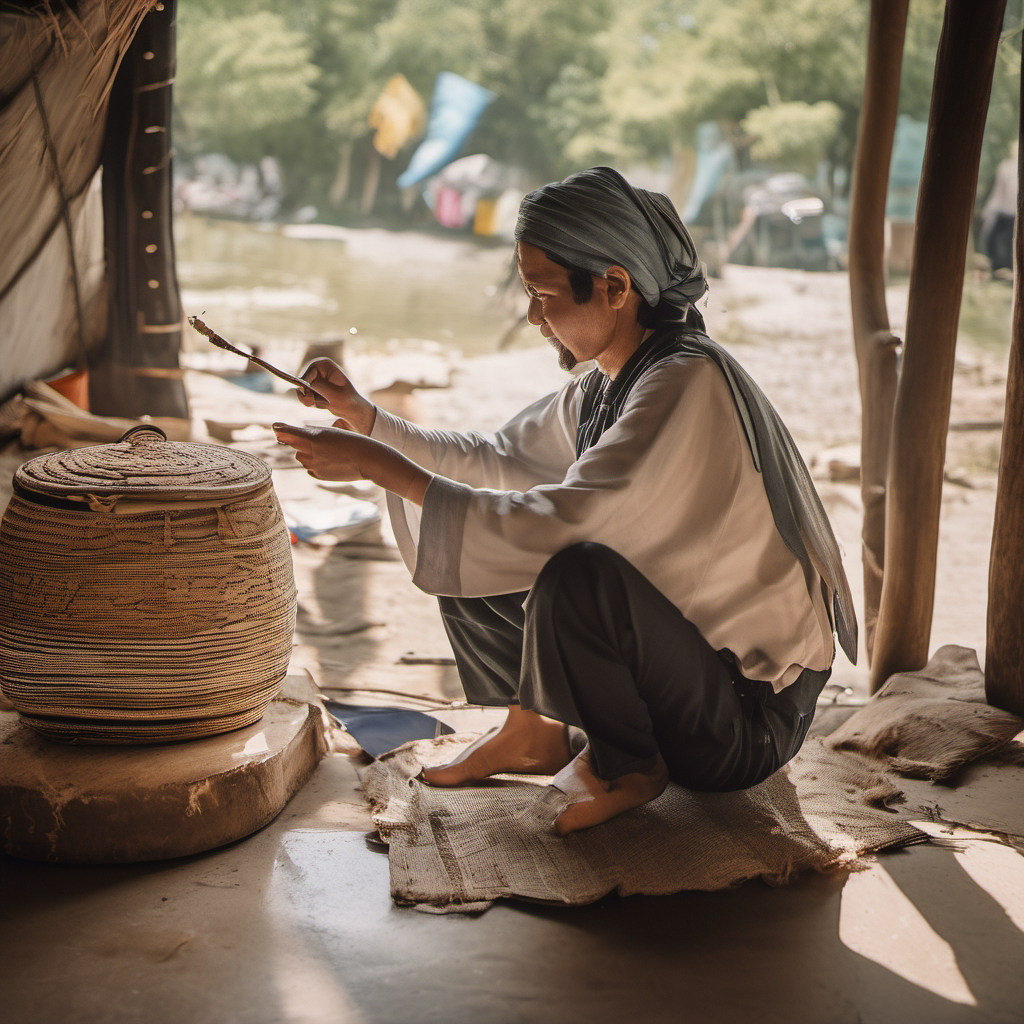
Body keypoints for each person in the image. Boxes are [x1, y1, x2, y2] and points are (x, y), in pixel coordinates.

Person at [273, 167, 857, 836]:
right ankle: (535, 733)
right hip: (694, 681)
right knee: (467, 535)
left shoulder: (684, 383)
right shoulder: (610, 383)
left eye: (542, 294)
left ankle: (626, 766)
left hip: (743, 720)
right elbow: (497, 461)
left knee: (575, 572)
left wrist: (385, 469)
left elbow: (571, 523)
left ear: (614, 286)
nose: (532, 316)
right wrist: (369, 422)